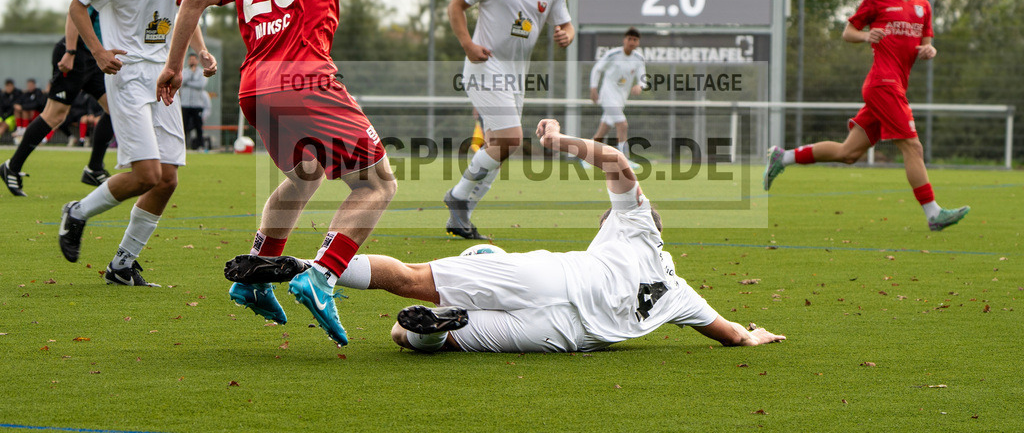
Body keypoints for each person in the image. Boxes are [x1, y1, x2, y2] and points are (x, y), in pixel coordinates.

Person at [225, 118, 786, 353]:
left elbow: (618, 162)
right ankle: (429, 331)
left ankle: (303, 265)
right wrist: (752, 336)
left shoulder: (632, 228)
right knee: (409, 336)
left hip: (550, 273)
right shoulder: (681, 291)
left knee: (415, 280)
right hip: (567, 333)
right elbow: (732, 334)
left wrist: (561, 139)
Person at [157, 0, 414, 346]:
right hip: (305, 80)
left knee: (306, 174)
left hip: (254, 87)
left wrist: (174, 66)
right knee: (377, 183)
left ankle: (252, 277)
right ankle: (322, 275)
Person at [57, 0, 216, 288]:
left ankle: (123, 263)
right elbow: (78, 5)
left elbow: (186, 13)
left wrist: (194, 54)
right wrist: (96, 51)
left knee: (168, 179)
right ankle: (77, 211)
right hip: (125, 74)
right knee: (146, 174)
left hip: (162, 77)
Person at [763, 0, 969, 232]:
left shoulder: (923, 6)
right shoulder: (877, 0)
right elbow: (848, 32)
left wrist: (929, 50)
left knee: (848, 153)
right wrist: (865, 35)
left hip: (894, 85)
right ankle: (933, 213)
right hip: (882, 84)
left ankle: (783, 157)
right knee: (913, 145)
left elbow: (925, 42)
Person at [444, 0, 575, 241]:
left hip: (516, 77)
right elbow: (456, 6)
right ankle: (458, 197)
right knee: (511, 138)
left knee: (499, 146)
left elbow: (567, 24)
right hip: (484, 66)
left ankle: (462, 217)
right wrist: (468, 45)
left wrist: (566, 35)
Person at [0, 0, 134, 196]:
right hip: (76, 53)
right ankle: (12, 167)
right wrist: (70, 52)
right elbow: (75, 11)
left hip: (96, 57)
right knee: (55, 114)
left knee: (115, 108)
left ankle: (94, 168)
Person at [588, 27, 645, 169]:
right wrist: (593, 88)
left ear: (638, 42)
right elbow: (597, 69)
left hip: (620, 99)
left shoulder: (638, 59)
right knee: (622, 125)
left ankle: (586, 157)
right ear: (624, 40)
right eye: (629, 39)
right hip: (607, 96)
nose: (632, 42)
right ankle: (624, 160)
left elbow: (643, 78)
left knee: (603, 129)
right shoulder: (613, 54)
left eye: (635, 40)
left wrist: (640, 86)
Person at [178, 52, 207, 150]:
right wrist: (191, 75)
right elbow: (181, 82)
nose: (192, 61)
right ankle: (183, 146)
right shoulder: (184, 72)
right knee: (184, 126)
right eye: (190, 59)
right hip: (185, 104)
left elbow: (201, 85)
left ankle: (200, 146)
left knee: (198, 126)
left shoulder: (201, 72)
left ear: (197, 61)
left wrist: (188, 83)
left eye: (194, 59)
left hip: (197, 104)